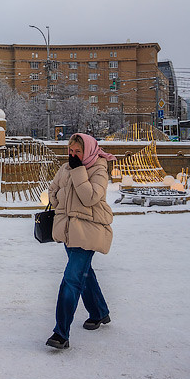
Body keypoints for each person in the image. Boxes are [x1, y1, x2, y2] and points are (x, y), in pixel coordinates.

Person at [45, 133, 116, 350]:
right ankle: (99, 312)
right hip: (68, 231)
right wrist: (59, 202)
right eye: (71, 151)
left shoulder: (98, 168)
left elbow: (90, 197)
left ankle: (60, 333)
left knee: (71, 279)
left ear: (89, 151)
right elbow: (52, 191)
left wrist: (78, 171)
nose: (73, 155)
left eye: (78, 152)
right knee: (85, 273)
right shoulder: (65, 168)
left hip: (88, 230)